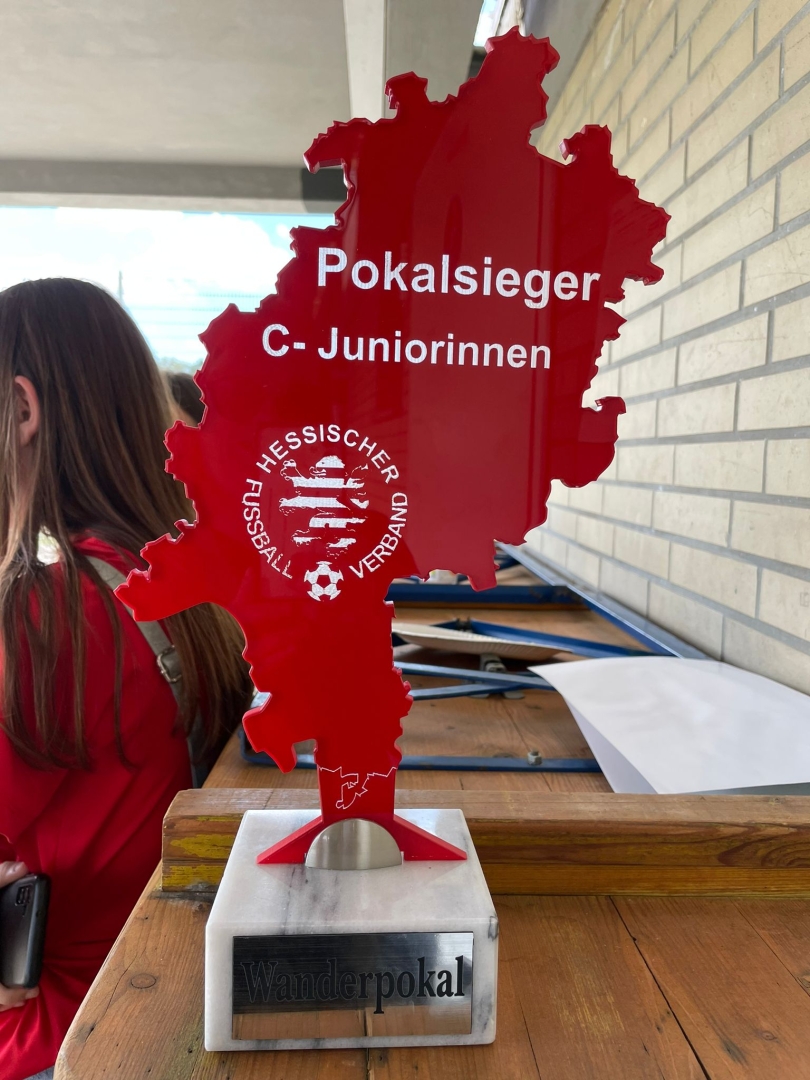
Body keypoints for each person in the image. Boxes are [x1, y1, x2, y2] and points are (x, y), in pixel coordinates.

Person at [0, 278, 252, 1080]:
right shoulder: (195, 586)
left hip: (56, 1039)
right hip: (164, 997)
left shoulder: (38, 623)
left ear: (23, 407)